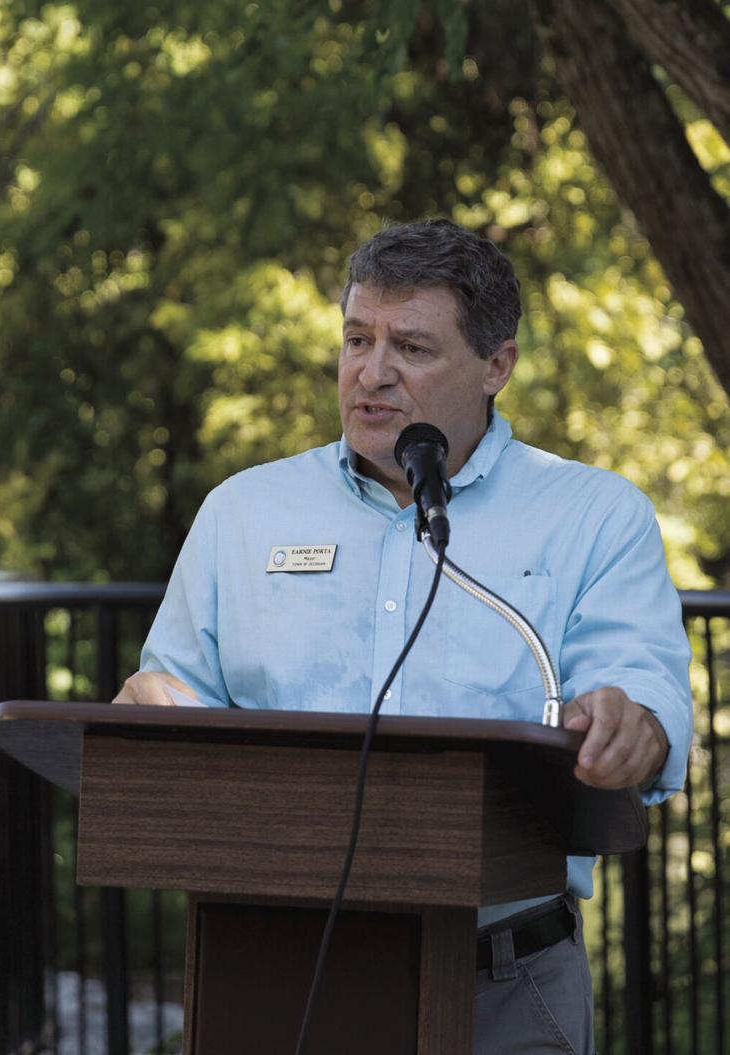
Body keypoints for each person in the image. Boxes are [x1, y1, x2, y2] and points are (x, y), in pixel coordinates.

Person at [114, 218, 692, 1054]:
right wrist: (150, 707)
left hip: (500, 984)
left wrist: (631, 721)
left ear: (496, 365)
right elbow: (171, 695)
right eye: (357, 338)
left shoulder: (592, 514)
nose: (371, 371)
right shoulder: (241, 511)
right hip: (269, 973)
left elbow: (639, 687)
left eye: (411, 347)